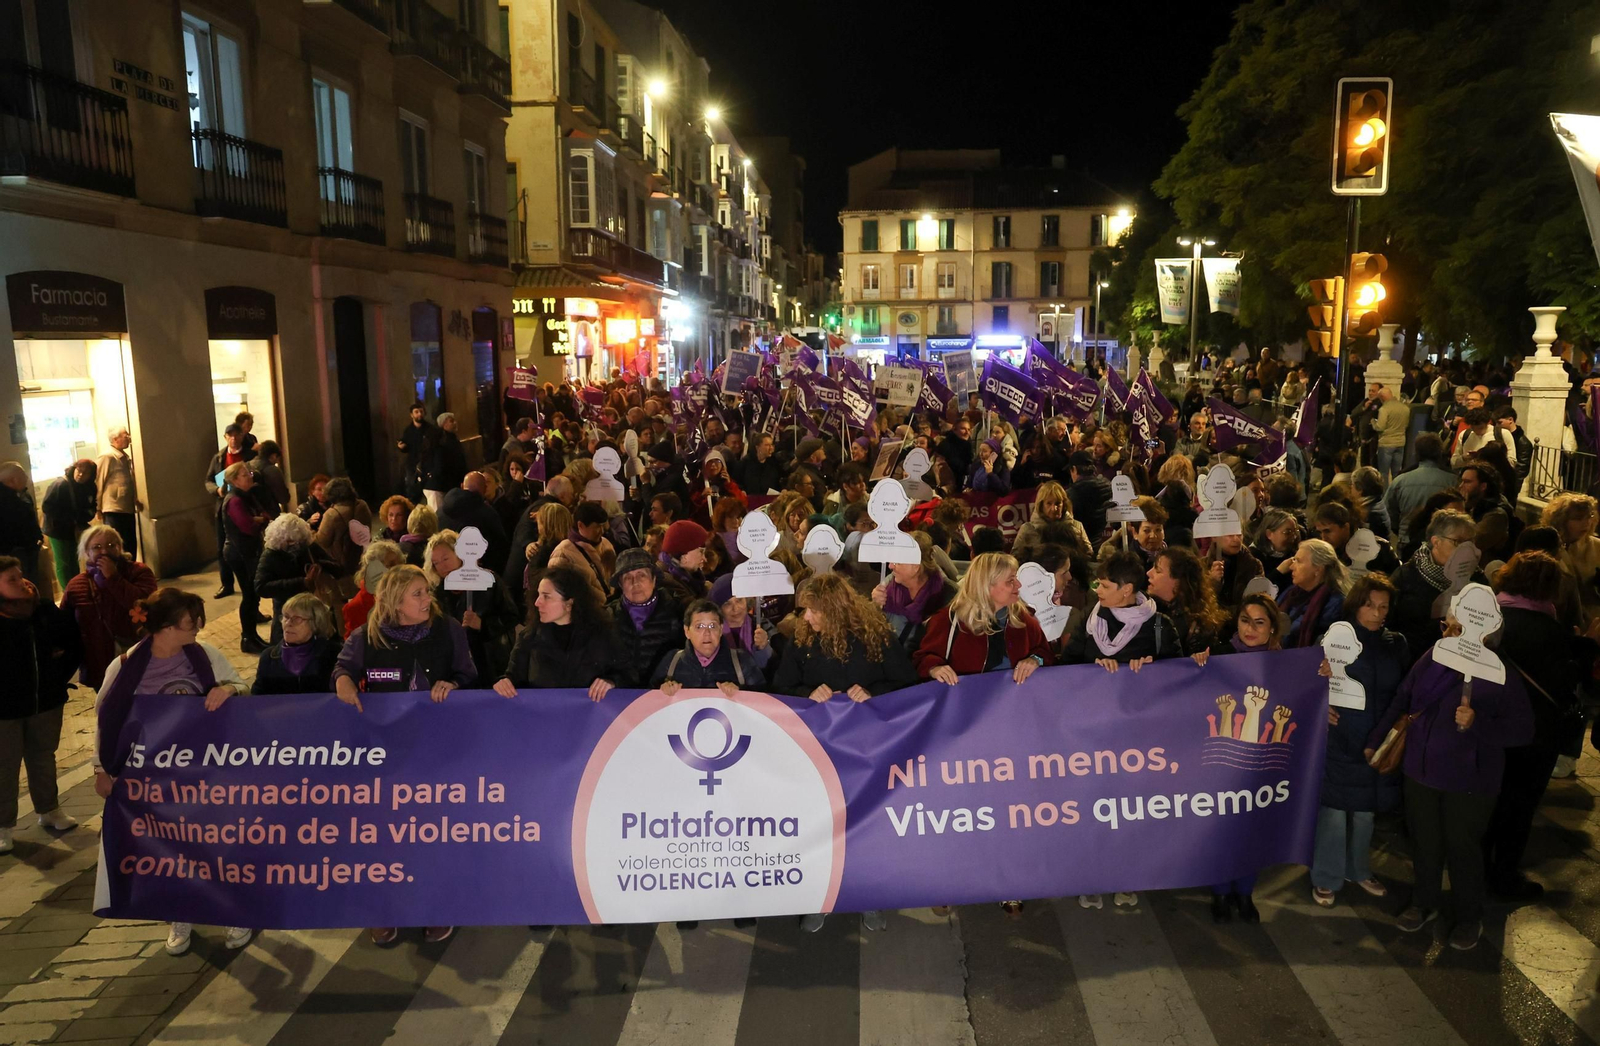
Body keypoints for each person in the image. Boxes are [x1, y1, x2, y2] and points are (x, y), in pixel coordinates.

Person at [92, 588, 251, 954]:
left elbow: (243, 688)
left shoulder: (206, 657)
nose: (198, 627)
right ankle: (181, 912)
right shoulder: (124, 666)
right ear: (164, 626)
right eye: (190, 621)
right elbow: (106, 718)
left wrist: (228, 690)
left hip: (207, 772)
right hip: (154, 779)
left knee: (218, 842)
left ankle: (232, 910)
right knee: (172, 849)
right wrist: (102, 768)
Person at [1368, 612, 1532, 950]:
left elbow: (1523, 730)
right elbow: (1404, 697)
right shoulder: (1434, 656)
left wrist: (1479, 722)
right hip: (1421, 771)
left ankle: (1469, 916)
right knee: (1425, 843)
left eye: (1458, 627)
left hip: (1470, 781)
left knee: (1463, 850)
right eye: (1448, 626)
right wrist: (1378, 738)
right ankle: (1424, 902)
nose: (1450, 632)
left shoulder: (1500, 673)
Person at [332, 565, 476, 946]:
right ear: (395, 601)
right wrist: (344, 684)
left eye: (426, 591)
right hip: (387, 754)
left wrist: (454, 684)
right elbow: (343, 669)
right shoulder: (367, 637)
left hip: (438, 752)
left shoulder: (449, 631)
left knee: (432, 834)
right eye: (418, 593)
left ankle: (435, 907)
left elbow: (471, 675)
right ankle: (384, 908)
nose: (428, 598)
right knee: (386, 837)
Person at [1059, 551, 1179, 909]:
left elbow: (1179, 680)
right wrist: (1093, 670)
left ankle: (1128, 877)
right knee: (1093, 810)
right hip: (1093, 734)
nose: (1097, 589)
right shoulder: (1088, 618)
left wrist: (1151, 668)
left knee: (1131, 812)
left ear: (1128, 590)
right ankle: (1092, 877)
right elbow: (1067, 669)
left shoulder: (1160, 626)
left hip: (1139, 739)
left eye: (1106, 585)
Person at [1483, 551, 1596, 899]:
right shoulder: (1550, 629)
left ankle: (1473, 867)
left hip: (1489, 727)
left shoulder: (1489, 618)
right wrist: (1587, 646)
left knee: (1488, 799)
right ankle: (1503, 878)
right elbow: (1565, 681)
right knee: (1519, 807)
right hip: (1534, 736)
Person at [1309, 575, 1409, 908]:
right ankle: (1326, 876)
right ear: (1356, 604)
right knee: (1334, 812)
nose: (1377, 613)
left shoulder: (1397, 643)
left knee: (1366, 813)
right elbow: (1309, 682)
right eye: (1370, 605)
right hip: (1341, 735)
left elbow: (1404, 691)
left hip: (1377, 737)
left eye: (1384, 607)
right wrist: (1321, 706)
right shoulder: (1334, 638)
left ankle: (1358, 869)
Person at [1203, 593, 1287, 922]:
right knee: (1221, 828)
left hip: (1259, 762)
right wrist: (1196, 664)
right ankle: (1221, 894)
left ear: (1272, 629)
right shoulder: (1219, 653)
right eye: (1244, 620)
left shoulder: (1286, 663)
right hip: (1221, 761)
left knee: (1251, 829)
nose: (1250, 628)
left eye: (1259, 622)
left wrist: (1319, 672)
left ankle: (1245, 893)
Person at [0, 555, 81, 854]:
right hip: (4, 710)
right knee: (4, 766)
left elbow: (72, 642)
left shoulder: (44, 609)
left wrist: (57, 677)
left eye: (20, 575)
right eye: (11, 579)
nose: (21, 582)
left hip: (45, 701)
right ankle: (3, 826)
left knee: (43, 756)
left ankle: (49, 810)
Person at [915, 551, 1051, 688]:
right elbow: (921, 659)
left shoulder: (1022, 618)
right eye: (1011, 580)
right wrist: (934, 668)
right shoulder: (949, 620)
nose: (1019, 584)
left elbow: (1045, 653)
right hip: (967, 703)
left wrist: (1035, 660)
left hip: (1014, 702)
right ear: (986, 586)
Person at [773, 573, 916, 701]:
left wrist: (872, 693)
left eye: (814, 611)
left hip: (866, 724)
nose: (806, 617)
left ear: (835, 613)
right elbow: (781, 687)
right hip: (818, 726)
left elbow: (906, 683)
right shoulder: (801, 640)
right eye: (807, 609)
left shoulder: (877, 637)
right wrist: (808, 693)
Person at [494, 566, 626, 697]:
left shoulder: (602, 636)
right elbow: (513, 677)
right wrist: (504, 683)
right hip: (543, 716)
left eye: (546, 596)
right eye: (538, 595)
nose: (537, 602)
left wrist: (611, 682)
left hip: (591, 716)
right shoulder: (529, 637)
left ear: (569, 603)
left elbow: (626, 674)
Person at [59, 524, 158, 690]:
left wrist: (113, 578)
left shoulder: (138, 572)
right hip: (100, 663)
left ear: (120, 548)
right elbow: (65, 624)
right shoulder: (77, 584)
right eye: (97, 547)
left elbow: (145, 603)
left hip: (139, 656)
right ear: (86, 553)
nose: (104, 551)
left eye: (111, 546)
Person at [425, 529, 516, 687]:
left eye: (445, 558)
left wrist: (484, 625)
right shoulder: (436, 593)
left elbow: (511, 616)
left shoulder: (489, 581)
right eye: (435, 563)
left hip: (490, 665)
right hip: (456, 670)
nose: (441, 567)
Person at [1389, 509, 1478, 658]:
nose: (1467, 549)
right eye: (1459, 542)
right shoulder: (1406, 576)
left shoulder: (1476, 580)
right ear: (1436, 542)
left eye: (1471, 542)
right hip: (1413, 660)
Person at [607, 548, 687, 687]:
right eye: (627, 578)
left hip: (665, 696)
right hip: (621, 700)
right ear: (620, 585)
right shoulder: (607, 617)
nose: (635, 583)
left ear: (654, 579)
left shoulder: (678, 612)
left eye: (641, 575)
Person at [651, 599, 764, 692]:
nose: (707, 633)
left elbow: (764, 701)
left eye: (712, 626)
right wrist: (662, 691)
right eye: (699, 626)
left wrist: (740, 692)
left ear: (720, 629)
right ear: (687, 631)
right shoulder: (672, 662)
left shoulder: (741, 661)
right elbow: (647, 701)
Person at [872, 531, 955, 654]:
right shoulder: (886, 589)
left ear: (916, 566)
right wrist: (874, 606)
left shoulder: (949, 596)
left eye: (897, 562)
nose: (890, 566)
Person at [254, 513, 331, 647]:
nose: (294, 545)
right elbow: (261, 587)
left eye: (297, 541)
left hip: (312, 610)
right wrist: (302, 582)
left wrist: (321, 566)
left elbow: (336, 567)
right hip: (285, 611)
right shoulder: (270, 554)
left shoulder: (307, 547)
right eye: (289, 541)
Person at [219, 461, 270, 653]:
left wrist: (260, 519)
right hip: (239, 553)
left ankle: (253, 635)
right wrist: (259, 520)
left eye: (249, 472)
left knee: (252, 594)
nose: (250, 475)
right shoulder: (234, 501)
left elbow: (264, 515)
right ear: (234, 480)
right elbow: (247, 526)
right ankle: (248, 638)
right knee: (249, 595)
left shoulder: (247, 496)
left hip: (248, 551)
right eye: (244, 474)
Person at [1146, 546, 1228, 659]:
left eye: (1158, 570)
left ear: (1179, 582)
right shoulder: (1142, 612)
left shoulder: (1198, 627)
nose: (1149, 573)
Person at [203, 423, 256, 599]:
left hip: (244, 503)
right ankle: (227, 583)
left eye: (236, 435)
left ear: (242, 435)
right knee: (222, 547)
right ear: (225, 437)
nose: (233, 439)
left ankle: (251, 582)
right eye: (229, 436)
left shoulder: (250, 454)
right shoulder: (219, 457)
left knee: (246, 544)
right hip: (224, 506)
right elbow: (209, 480)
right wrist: (216, 490)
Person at [1382, 433, 1458, 551]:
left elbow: (1388, 512)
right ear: (1439, 453)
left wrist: (1401, 529)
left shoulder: (1400, 480)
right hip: (1442, 541)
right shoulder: (1453, 481)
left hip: (1407, 539)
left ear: (1417, 453)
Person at [253, 592, 341, 694]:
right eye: (286, 617)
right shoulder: (268, 657)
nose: (288, 623)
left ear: (315, 623)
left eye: (297, 619)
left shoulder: (334, 654)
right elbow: (257, 698)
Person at [1276, 538, 1348, 648]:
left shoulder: (1335, 603)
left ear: (1318, 570)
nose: (1291, 567)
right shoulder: (1291, 592)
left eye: (1298, 561)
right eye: (1294, 560)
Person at [438, 472, 510, 579]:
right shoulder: (487, 514)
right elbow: (501, 548)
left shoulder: (440, 511)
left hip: (444, 572)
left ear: (462, 485)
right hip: (478, 576)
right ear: (484, 489)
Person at [1542, 493, 1600, 623]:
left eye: (1589, 516)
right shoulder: (1547, 546)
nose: (1586, 523)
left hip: (1593, 618)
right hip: (1558, 619)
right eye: (1578, 518)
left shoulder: (1596, 546)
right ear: (1562, 520)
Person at [41, 460, 96, 594]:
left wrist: (86, 517)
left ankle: (76, 588)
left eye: (85, 473)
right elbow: (47, 507)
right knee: (64, 563)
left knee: (73, 560)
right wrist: (70, 519)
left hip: (74, 529)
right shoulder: (60, 484)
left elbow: (91, 505)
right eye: (79, 471)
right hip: (59, 530)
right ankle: (69, 592)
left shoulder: (90, 486)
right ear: (74, 469)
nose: (81, 475)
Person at [314, 477, 373, 598]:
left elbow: (322, 541)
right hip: (362, 557)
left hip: (341, 564)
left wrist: (310, 530)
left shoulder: (332, 514)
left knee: (342, 599)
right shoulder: (362, 505)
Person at [550, 500, 618, 605]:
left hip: (609, 609)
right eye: (596, 527)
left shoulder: (606, 543)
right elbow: (557, 589)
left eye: (602, 526)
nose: (601, 531)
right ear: (580, 525)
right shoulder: (563, 552)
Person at [342, 539, 405, 638]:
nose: (398, 569)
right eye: (391, 564)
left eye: (400, 563)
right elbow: (355, 646)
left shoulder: (409, 591)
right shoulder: (356, 606)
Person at [94, 425, 141, 557]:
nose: (129, 437)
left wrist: (134, 500)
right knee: (119, 545)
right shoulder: (107, 457)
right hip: (114, 510)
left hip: (126, 508)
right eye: (125, 435)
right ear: (115, 439)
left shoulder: (123, 457)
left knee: (130, 543)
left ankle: (130, 573)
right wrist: (97, 508)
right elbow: (98, 482)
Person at [1013, 481, 1090, 558]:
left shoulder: (1077, 526)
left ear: (1064, 504)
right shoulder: (1027, 529)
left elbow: (1089, 554)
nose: (1054, 509)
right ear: (1041, 505)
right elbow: (1015, 557)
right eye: (1049, 503)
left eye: (1058, 503)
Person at [1205, 530, 1264, 610]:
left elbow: (1258, 602)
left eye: (1239, 534)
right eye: (1230, 534)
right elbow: (1200, 603)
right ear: (1215, 537)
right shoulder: (1202, 565)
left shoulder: (1254, 565)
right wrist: (1212, 583)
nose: (1236, 539)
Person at [423, 412, 467, 512]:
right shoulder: (441, 441)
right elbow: (441, 465)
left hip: (445, 485)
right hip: (438, 486)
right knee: (438, 516)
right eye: (451, 421)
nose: (455, 423)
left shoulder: (451, 439)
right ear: (444, 424)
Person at [659, 519, 710, 598]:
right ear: (684, 556)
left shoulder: (687, 578)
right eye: (701, 552)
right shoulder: (670, 587)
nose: (704, 559)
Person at [396, 402, 434, 503]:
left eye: (421, 411)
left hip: (427, 462)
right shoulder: (408, 430)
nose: (419, 414)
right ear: (411, 415)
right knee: (411, 487)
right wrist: (402, 447)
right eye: (416, 412)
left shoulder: (430, 429)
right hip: (412, 463)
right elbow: (406, 446)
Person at [1371, 385, 1409, 482]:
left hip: (1386, 444)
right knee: (1397, 472)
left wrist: (1373, 422)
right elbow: (1406, 424)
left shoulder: (1384, 409)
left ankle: (1385, 495)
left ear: (1382, 397)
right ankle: (1396, 494)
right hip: (1400, 443)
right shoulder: (1405, 408)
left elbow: (1380, 427)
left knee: (1384, 473)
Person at [1251, 508, 1300, 579]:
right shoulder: (1254, 557)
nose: (1294, 537)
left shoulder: (1293, 552)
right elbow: (1257, 588)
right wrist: (1279, 571)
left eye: (1295, 531)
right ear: (1269, 534)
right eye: (1288, 532)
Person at [253, 440, 290, 512]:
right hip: (269, 511)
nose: (276, 462)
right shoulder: (273, 470)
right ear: (273, 456)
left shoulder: (246, 465)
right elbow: (283, 499)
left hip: (251, 512)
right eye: (277, 458)